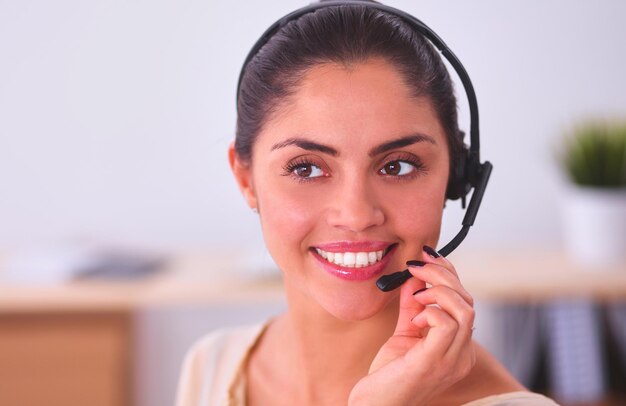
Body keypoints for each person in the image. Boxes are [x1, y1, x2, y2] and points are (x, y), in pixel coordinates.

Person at [176, 1, 559, 405]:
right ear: (245, 178)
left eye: (396, 166)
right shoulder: (214, 364)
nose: (357, 215)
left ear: (456, 177)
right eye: (306, 169)